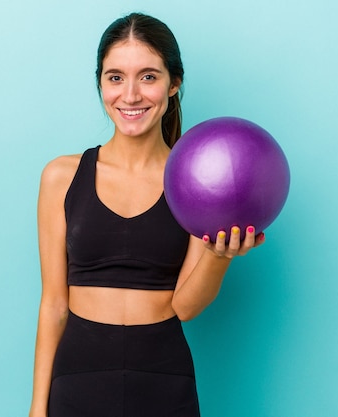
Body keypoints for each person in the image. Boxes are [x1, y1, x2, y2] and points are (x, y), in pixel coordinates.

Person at [29, 12, 264, 417]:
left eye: (149, 77)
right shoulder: (60, 176)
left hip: (163, 377)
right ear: (101, 83)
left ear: (174, 83)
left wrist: (218, 256)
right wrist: (37, 408)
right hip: (79, 375)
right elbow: (53, 304)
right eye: (116, 77)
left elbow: (187, 306)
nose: (131, 95)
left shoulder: (197, 182)